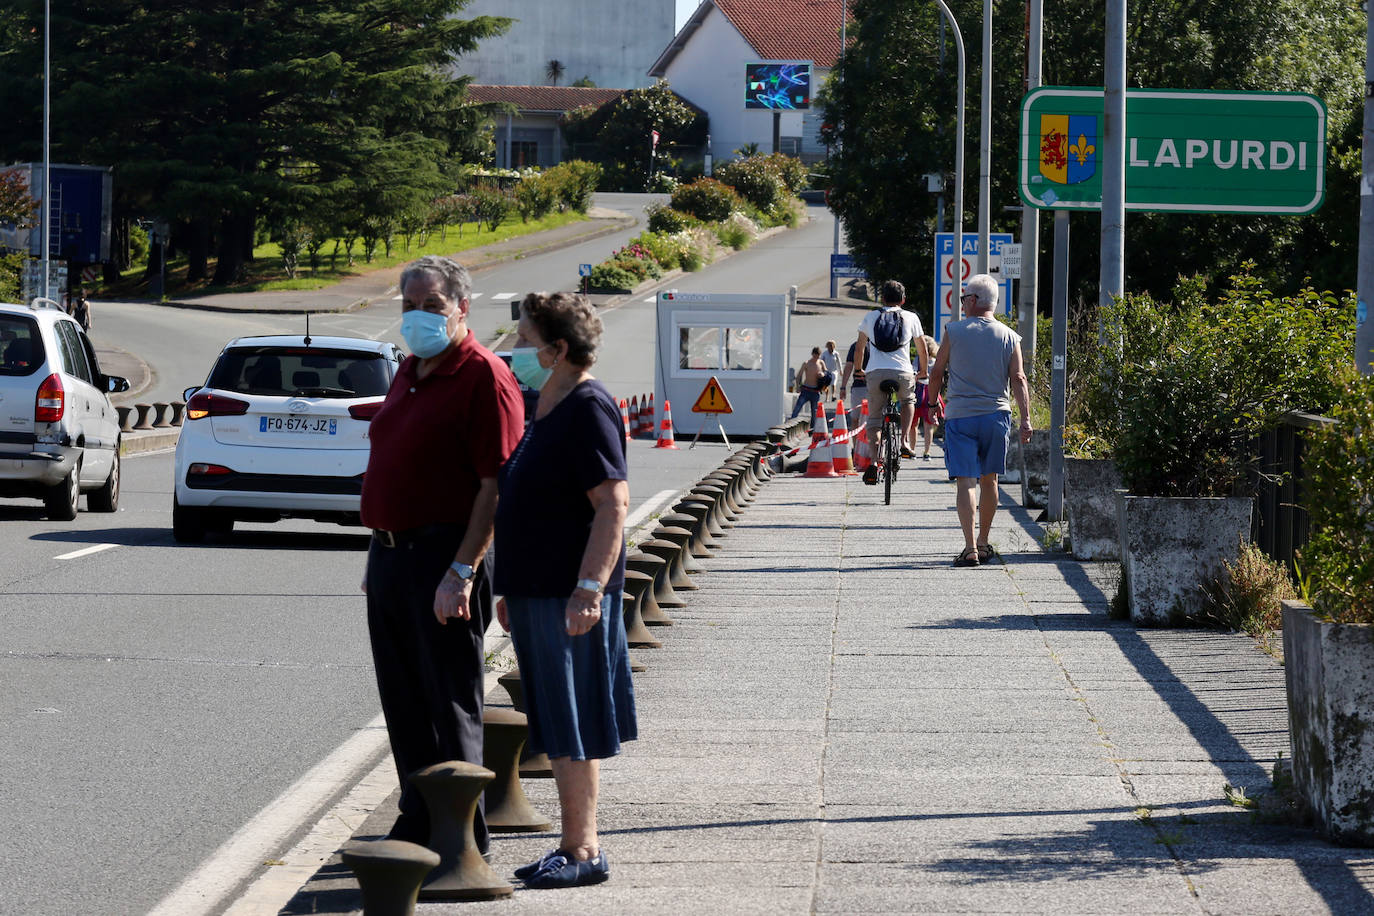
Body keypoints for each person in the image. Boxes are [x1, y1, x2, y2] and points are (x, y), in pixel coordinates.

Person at [359, 255, 525, 851]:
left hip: (445, 558)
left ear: (462, 308)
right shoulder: (410, 369)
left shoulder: (484, 376)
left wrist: (461, 571)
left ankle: (461, 837)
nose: (419, 317)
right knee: (402, 698)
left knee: (448, 700)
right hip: (391, 556)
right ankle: (418, 817)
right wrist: (377, 551)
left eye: (432, 306)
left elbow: (496, 485)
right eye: (410, 306)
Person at [495, 291, 636, 889]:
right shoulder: (544, 404)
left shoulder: (587, 405)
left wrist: (588, 589)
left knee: (572, 721)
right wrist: (511, 585)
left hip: (566, 594)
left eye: (524, 340)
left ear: (556, 349)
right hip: (537, 590)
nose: (515, 349)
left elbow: (612, 503)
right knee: (556, 720)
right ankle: (572, 845)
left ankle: (583, 850)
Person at [925, 273, 1033, 567]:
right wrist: (1025, 419)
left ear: (973, 300)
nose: (962, 303)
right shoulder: (1010, 336)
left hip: (961, 416)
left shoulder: (954, 331)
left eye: (964, 298)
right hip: (996, 415)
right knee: (990, 480)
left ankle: (970, 548)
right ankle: (984, 543)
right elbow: (1019, 378)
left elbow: (936, 373)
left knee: (965, 481)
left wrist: (932, 404)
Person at [857, 280, 926, 485]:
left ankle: (873, 460)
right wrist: (923, 371)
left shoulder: (870, 317)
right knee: (908, 400)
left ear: (882, 298)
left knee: (874, 420)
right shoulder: (911, 317)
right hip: (903, 372)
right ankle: (904, 441)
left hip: (875, 372)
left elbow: (860, 348)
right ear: (903, 300)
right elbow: (922, 348)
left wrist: (859, 370)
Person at [911, 334, 942, 460]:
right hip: (931, 392)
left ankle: (912, 450)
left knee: (914, 423)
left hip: (918, 392)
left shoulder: (917, 360)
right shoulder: (934, 361)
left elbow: (913, 372)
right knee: (928, 424)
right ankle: (927, 452)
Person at [789, 347, 826, 420]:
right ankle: (791, 423)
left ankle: (813, 426)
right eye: (815, 356)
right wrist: (798, 387)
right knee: (797, 408)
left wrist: (823, 374)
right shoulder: (806, 363)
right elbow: (799, 376)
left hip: (815, 391)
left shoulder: (821, 363)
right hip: (806, 390)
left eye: (818, 356)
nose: (816, 358)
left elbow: (827, 374)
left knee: (814, 412)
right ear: (812, 354)